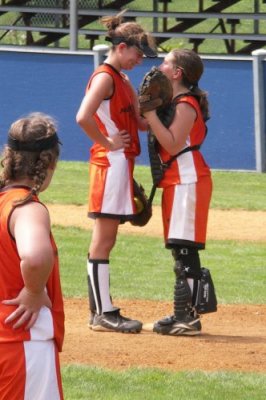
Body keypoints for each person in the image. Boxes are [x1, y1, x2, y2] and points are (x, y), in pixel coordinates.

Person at [76, 10, 156, 333]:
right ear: (121, 47)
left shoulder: (122, 79)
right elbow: (82, 116)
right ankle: (104, 314)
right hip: (110, 164)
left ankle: (100, 310)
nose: (140, 61)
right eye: (137, 54)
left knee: (105, 240)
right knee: (103, 240)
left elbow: (139, 122)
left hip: (120, 164)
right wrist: (107, 142)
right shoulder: (106, 77)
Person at [143, 49, 216, 336]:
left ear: (178, 73)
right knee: (179, 247)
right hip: (178, 180)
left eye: (166, 62)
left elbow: (172, 144)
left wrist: (149, 113)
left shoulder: (186, 103)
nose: (160, 66)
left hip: (188, 180)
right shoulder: (175, 101)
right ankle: (183, 312)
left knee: (185, 248)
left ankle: (188, 318)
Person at [0, 113, 65, 399]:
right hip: (21, 340)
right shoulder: (26, 207)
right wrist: (34, 290)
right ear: (49, 163)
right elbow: (36, 257)